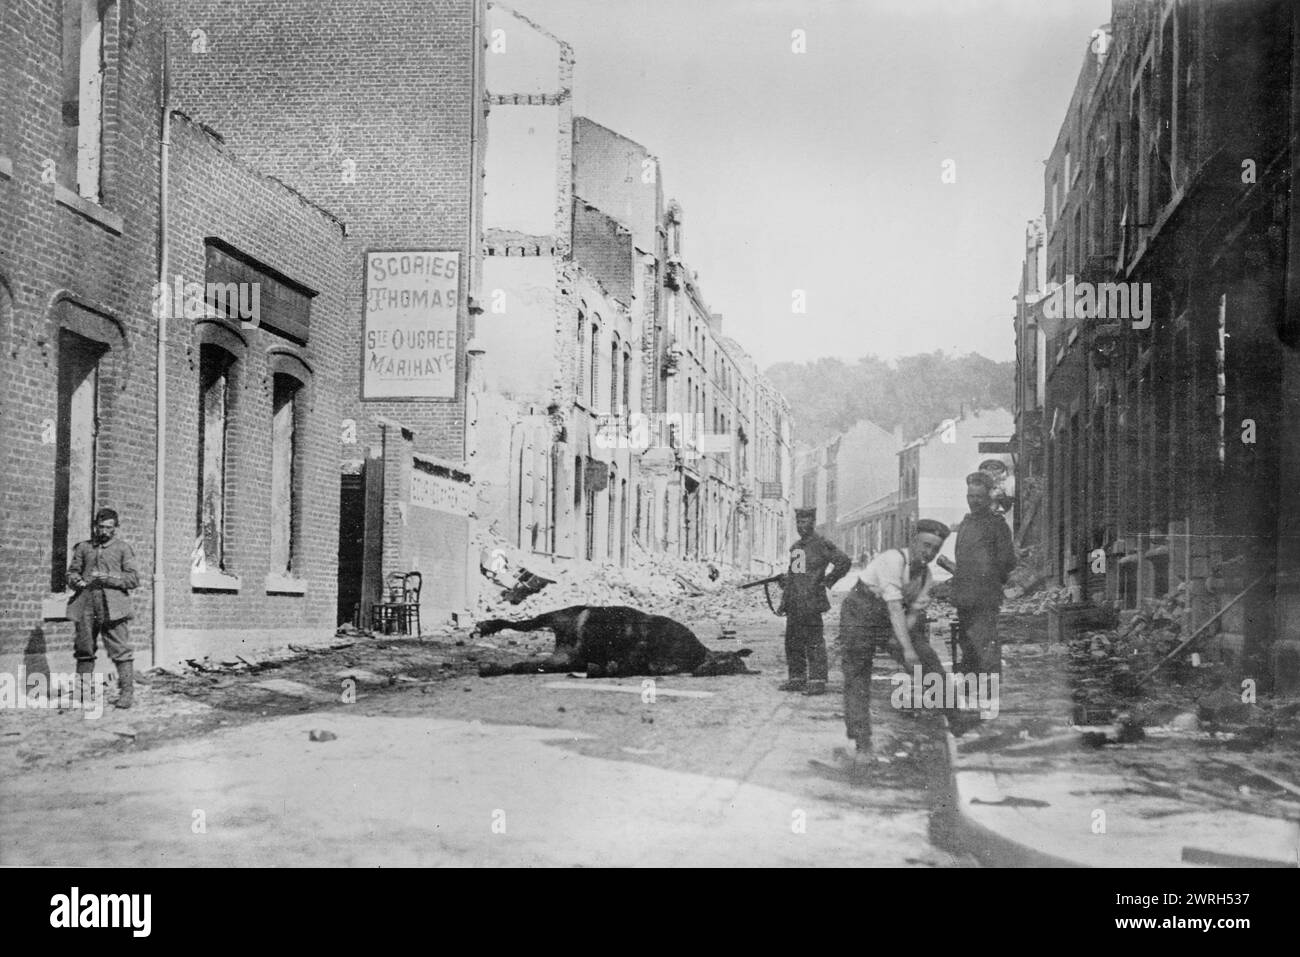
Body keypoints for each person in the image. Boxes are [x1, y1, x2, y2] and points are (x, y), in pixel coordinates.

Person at [837, 519, 965, 765]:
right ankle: (862, 743)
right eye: (925, 545)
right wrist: (905, 650)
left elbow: (911, 616)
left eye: (934, 549)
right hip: (860, 611)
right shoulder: (892, 560)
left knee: (927, 658)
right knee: (857, 674)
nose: (928, 553)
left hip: (889, 617)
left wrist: (905, 646)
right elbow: (895, 607)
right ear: (913, 541)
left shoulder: (926, 576)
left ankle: (956, 718)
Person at [67, 508, 140, 709]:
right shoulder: (83, 548)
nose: (105, 531)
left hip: (113, 606)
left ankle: (126, 693)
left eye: (109, 527)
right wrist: (77, 581)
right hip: (86, 604)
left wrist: (109, 579)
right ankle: (82, 693)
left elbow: (133, 579)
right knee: (84, 649)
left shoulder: (123, 549)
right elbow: (72, 573)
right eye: (101, 527)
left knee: (121, 650)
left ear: (116, 528)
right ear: (95, 527)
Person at [947, 472, 1017, 679]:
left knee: (985, 646)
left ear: (988, 497)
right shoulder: (966, 524)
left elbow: (1007, 562)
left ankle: (988, 694)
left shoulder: (997, 525)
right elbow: (960, 558)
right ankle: (971, 695)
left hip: (985, 597)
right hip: (964, 598)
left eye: (978, 496)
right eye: (970, 496)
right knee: (967, 645)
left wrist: (990, 582)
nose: (973, 501)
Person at [778, 506, 851, 695]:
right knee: (793, 640)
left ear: (812, 523)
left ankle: (817, 680)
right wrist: (785, 598)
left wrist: (827, 582)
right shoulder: (797, 548)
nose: (800, 526)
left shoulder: (821, 544)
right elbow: (796, 575)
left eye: (804, 522)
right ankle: (797, 678)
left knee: (814, 641)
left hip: (811, 601)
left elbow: (843, 561)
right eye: (798, 522)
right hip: (795, 601)